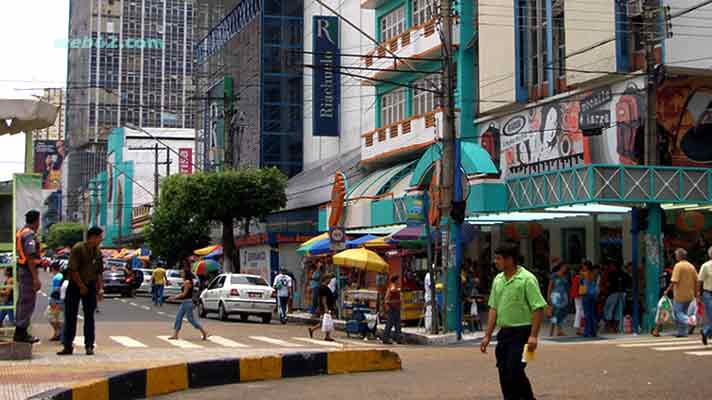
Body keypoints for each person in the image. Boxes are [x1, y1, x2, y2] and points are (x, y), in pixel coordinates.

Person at [480, 242, 547, 400]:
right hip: (504, 334)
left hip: (523, 334)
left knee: (515, 370)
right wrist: (487, 335)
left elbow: (538, 308)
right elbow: (493, 308)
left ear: (509, 259)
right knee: (504, 372)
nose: (495, 262)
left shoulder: (527, 279)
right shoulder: (498, 280)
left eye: (498, 258)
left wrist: (533, 336)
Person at [58, 226, 105, 356]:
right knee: (70, 315)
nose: (101, 240)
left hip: (90, 286)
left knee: (89, 316)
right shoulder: (78, 248)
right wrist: (81, 286)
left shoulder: (98, 252)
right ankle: (68, 346)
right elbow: (73, 270)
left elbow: (99, 272)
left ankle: (89, 346)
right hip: (75, 285)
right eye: (100, 237)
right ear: (93, 237)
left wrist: (100, 288)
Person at [13, 209, 42, 343]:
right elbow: (30, 257)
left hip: (22, 270)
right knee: (27, 302)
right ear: (36, 221)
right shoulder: (29, 235)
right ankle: (21, 333)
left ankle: (20, 331)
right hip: (27, 271)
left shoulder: (21, 232)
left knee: (23, 301)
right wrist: (35, 278)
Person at [664, 248, 699, 338]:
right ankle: (682, 332)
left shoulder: (678, 266)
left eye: (676, 255)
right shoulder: (691, 266)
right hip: (690, 295)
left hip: (680, 295)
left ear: (679, 256)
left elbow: (674, 281)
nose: (675, 257)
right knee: (683, 311)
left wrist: (667, 290)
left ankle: (690, 320)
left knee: (677, 313)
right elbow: (697, 280)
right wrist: (696, 293)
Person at [167, 266, 208, 341]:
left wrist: (174, 297)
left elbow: (184, 294)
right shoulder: (186, 281)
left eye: (182, 272)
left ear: (186, 274)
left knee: (191, 320)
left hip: (188, 302)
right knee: (178, 318)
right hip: (185, 302)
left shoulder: (187, 282)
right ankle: (175, 335)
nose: (180, 273)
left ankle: (204, 332)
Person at [603, 261, 630, 333]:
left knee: (609, 309)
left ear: (614, 266)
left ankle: (608, 327)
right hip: (623, 293)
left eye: (611, 266)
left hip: (613, 293)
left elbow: (608, 284)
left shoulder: (611, 274)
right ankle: (616, 327)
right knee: (619, 311)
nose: (610, 267)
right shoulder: (624, 274)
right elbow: (629, 284)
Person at [307, 275, 336, 341]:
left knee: (325, 321)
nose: (330, 281)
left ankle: (312, 329)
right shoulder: (323, 288)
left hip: (327, 307)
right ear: (326, 279)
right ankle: (327, 336)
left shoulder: (326, 287)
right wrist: (326, 308)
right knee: (327, 321)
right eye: (329, 280)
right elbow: (323, 298)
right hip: (325, 307)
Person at [547, 263, 569, 337]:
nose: (565, 269)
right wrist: (548, 297)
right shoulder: (554, 275)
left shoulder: (565, 276)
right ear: (561, 267)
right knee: (555, 313)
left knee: (561, 313)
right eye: (564, 267)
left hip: (563, 296)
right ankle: (552, 331)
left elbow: (567, 287)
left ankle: (559, 330)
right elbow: (550, 286)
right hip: (556, 296)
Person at [47, 262, 64, 341]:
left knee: (51, 317)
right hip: (60, 300)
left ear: (53, 269)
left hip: (56, 300)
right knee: (56, 318)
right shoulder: (60, 276)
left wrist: (53, 301)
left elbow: (57, 290)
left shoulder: (56, 278)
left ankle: (58, 332)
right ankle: (58, 333)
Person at [582, 264, 601, 338]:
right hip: (592, 296)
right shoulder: (595, 276)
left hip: (587, 295)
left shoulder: (587, 275)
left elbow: (585, 284)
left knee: (588, 314)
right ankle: (592, 331)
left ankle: (588, 332)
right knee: (591, 314)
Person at [382, 275, 402, 345]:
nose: (399, 281)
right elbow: (387, 299)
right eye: (398, 280)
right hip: (393, 308)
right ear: (395, 280)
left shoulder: (394, 287)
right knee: (390, 324)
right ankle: (385, 338)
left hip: (396, 308)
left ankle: (398, 338)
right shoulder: (392, 288)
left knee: (397, 324)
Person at [699, 246, 712, 345]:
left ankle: (705, 331)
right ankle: (706, 332)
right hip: (708, 294)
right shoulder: (706, 266)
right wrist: (698, 294)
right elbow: (700, 281)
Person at [571, 262, 588, 335]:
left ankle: (579, 328)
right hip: (579, 295)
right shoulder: (580, 277)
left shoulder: (575, 277)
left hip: (577, 295)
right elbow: (582, 287)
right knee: (580, 311)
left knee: (579, 311)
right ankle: (580, 328)